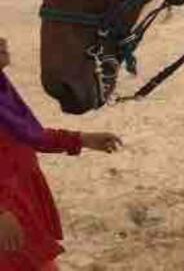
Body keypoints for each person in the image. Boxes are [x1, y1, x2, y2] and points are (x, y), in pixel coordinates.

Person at [0, 37, 122, 270]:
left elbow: (30, 135)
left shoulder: (3, 90)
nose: (2, 42)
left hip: (22, 199)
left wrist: (82, 139)